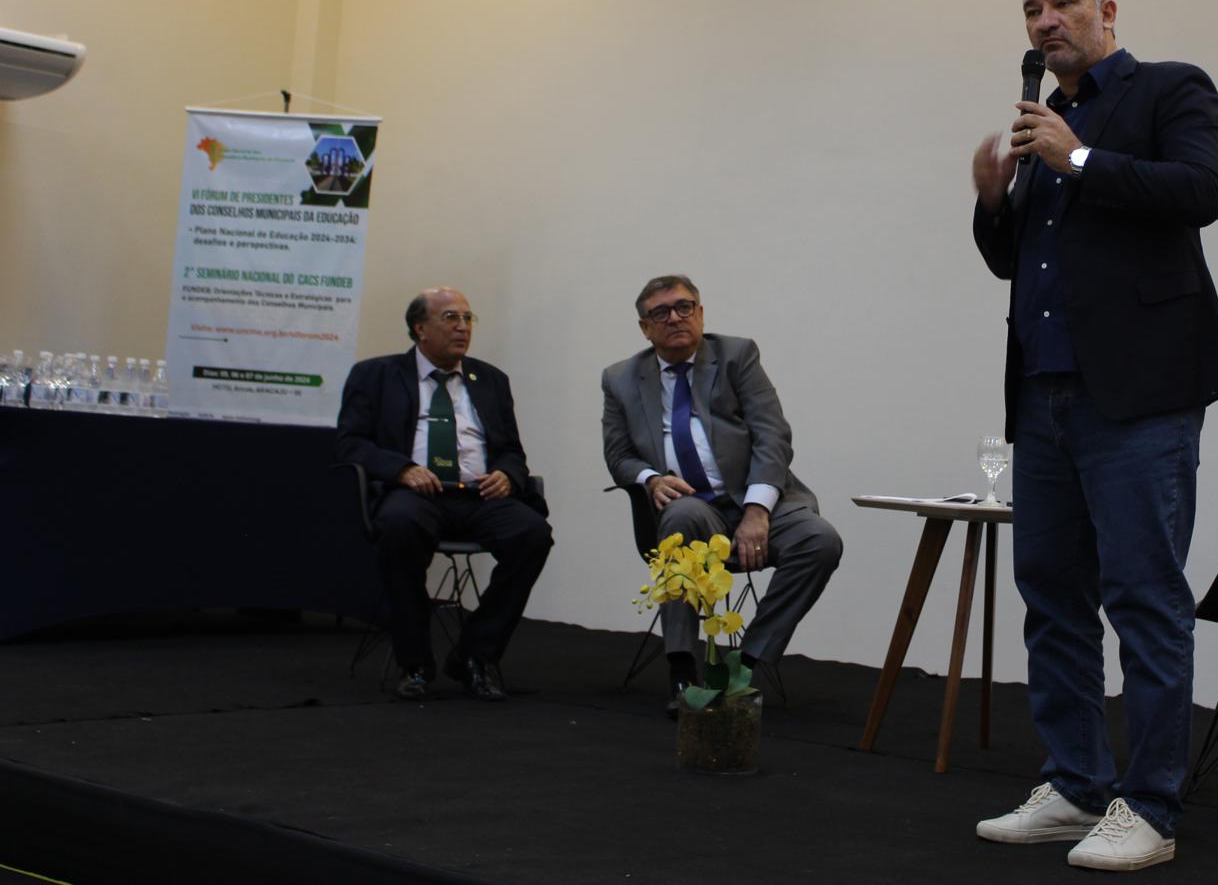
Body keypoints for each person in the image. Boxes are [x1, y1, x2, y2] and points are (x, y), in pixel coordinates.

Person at [970, 0, 1218, 871]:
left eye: (1063, 3)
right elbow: (1015, 262)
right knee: (1051, 598)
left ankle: (1150, 807)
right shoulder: (1044, 124)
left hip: (1138, 398)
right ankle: (1076, 784)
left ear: (1107, 11)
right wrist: (993, 199)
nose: (1044, 21)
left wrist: (1076, 158)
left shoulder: (1169, 90)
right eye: (1031, 10)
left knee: (1144, 600)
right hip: (1043, 395)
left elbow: (1200, 192)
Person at [600, 275, 843, 712]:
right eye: (661, 312)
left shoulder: (737, 356)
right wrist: (651, 479)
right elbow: (618, 455)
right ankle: (682, 674)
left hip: (757, 502)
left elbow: (773, 437)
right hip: (692, 509)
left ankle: (743, 666)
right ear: (645, 328)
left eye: (684, 307)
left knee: (820, 540)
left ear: (700, 313)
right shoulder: (620, 378)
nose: (675, 318)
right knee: (680, 518)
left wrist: (757, 511)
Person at [336, 287, 553, 702]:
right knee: (399, 527)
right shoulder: (375, 375)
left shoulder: (490, 380)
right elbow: (350, 444)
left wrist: (507, 475)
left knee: (532, 535)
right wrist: (401, 469)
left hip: (478, 495)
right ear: (420, 329)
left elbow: (511, 450)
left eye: (468, 318)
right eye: (451, 317)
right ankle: (414, 662)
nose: (462, 327)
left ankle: (475, 655)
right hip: (416, 494)